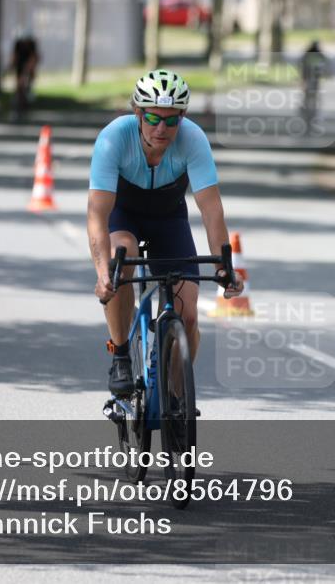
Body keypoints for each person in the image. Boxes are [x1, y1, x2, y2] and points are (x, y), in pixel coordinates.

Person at [87, 69, 243, 397]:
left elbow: (211, 210)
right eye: (154, 118)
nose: (162, 129)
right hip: (123, 217)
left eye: (172, 121)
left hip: (168, 220)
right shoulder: (114, 138)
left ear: (182, 118)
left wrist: (223, 268)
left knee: (187, 313)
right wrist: (103, 273)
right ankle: (121, 354)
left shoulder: (193, 140)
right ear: (138, 113)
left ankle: (174, 400)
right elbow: (97, 213)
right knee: (122, 257)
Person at [10, 28, 39, 111]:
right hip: (20, 63)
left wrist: (31, 68)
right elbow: (15, 56)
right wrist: (12, 65)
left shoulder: (32, 44)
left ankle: (29, 93)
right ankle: (18, 98)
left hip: (29, 63)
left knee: (29, 79)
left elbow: (34, 57)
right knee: (19, 82)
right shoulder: (18, 44)